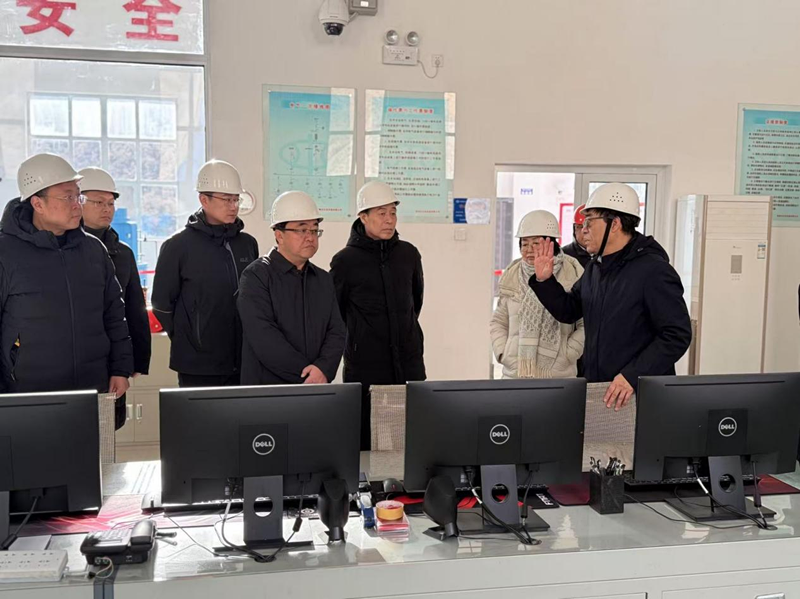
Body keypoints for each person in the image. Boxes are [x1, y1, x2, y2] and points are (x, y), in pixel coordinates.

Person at [529, 183, 692, 411]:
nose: (584, 230)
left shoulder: (653, 270)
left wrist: (632, 375)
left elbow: (676, 335)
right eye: (581, 224)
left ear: (614, 224)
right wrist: (545, 281)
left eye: (589, 222)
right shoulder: (596, 268)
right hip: (601, 390)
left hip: (636, 394)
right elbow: (569, 310)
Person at [0, 153, 133, 415]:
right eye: (67, 197)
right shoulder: (6, 253)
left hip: (93, 387)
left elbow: (114, 315)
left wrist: (121, 369)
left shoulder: (94, 250)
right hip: (27, 393)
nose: (77, 205)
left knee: (95, 444)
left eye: (78, 196)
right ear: (37, 203)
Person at [330, 181, 426, 450]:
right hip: (365, 365)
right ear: (363, 217)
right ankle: (368, 479)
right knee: (365, 438)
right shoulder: (345, 261)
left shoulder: (408, 254)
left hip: (408, 361)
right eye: (381, 213)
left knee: (406, 439)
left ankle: (401, 479)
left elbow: (415, 302)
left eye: (392, 213)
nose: (389, 220)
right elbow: (337, 313)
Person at [152, 160, 259, 388]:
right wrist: (191, 336)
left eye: (236, 199)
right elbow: (161, 304)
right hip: (197, 365)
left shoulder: (247, 244)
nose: (233, 206)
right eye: (226, 199)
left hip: (243, 361)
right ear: (204, 199)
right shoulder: (178, 246)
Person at [237, 191, 345, 385]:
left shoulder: (322, 279)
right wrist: (307, 376)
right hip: (268, 389)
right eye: (302, 230)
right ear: (279, 235)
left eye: (314, 230)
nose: (310, 237)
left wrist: (323, 369)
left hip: (315, 387)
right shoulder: (256, 276)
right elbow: (263, 337)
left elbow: (336, 331)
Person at [80, 167, 151, 401]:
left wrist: (137, 360)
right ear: (78, 202)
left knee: (109, 420)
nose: (107, 209)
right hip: (76, 358)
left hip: (114, 360)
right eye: (99, 202)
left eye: (111, 203)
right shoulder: (64, 250)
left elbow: (135, 309)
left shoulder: (123, 253)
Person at [491, 210, 585, 379]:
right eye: (524, 244)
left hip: (559, 375)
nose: (529, 250)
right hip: (515, 373)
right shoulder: (512, 274)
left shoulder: (572, 273)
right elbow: (499, 320)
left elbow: (585, 324)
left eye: (536, 244)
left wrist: (568, 355)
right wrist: (503, 352)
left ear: (552, 244)